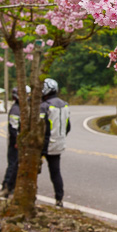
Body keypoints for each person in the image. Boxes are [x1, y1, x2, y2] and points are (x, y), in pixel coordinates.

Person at [39, 78, 70, 207]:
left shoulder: (44, 106)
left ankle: (30, 196)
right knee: (55, 173)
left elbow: (39, 127)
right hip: (58, 144)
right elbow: (68, 127)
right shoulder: (65, 105)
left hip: (43, 145)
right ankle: (59, 199)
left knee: (32, 171)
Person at [0, 86, 28, 197]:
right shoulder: (16, 110)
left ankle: (13, 186)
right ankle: (6, 185)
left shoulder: (23, 108)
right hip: (15, 142)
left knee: (17, 164)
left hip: (21, 141)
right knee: (13, 164)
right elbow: (13, 128)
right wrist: (17, 141)